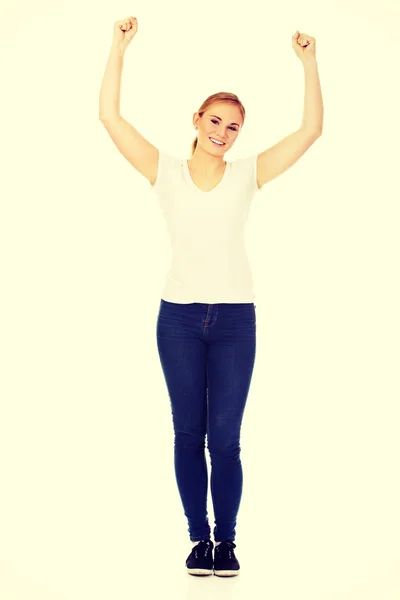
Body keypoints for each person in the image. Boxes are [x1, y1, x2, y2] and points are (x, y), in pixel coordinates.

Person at [99, 16, 323, 578]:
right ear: (195, 121)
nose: (223, 131)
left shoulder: (249, 173)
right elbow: (110, 117)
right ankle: (198, 540)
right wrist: (118, 48)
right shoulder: (164, 170)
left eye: (234, 126)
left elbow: (310, 131)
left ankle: (227, 542)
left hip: (233, 323)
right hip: (176, 321)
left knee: (225, 440)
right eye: (215, 120)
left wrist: (309, 63)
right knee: (186, 433)